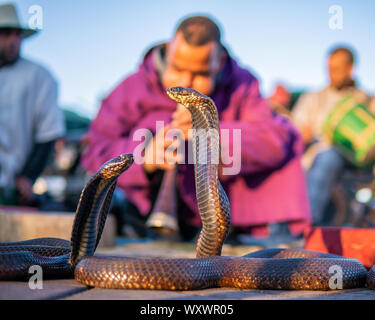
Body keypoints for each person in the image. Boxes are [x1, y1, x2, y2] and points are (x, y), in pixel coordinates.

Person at [82, 15, 311, 243]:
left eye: (201, 74)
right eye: (178, 68)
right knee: (149, 126)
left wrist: (209, 132)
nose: (186, 82)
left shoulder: (243, 83)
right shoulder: (132, 86)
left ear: (219, 62)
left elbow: (272, 139)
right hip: (142, 214)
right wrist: (145, 156)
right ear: (170, 50)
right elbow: (96, 150)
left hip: (221, 217)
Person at [292, 45, 375, 225]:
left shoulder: (367, 100)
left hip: (355, 162)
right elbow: (294, 130)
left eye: (337, 69)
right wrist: (301, 134)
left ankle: (307, 225)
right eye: (329, 69)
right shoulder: (313, 98)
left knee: (330, 156)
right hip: (312, 158)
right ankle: (298, 227)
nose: (331, 74)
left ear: (350, 68)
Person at [0, 3, 65, 206]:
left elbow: (48, 132)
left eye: (17, 34)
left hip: (11, 189)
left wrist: (28, 177)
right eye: (6, 34)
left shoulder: (39, 76)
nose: (13, 41)